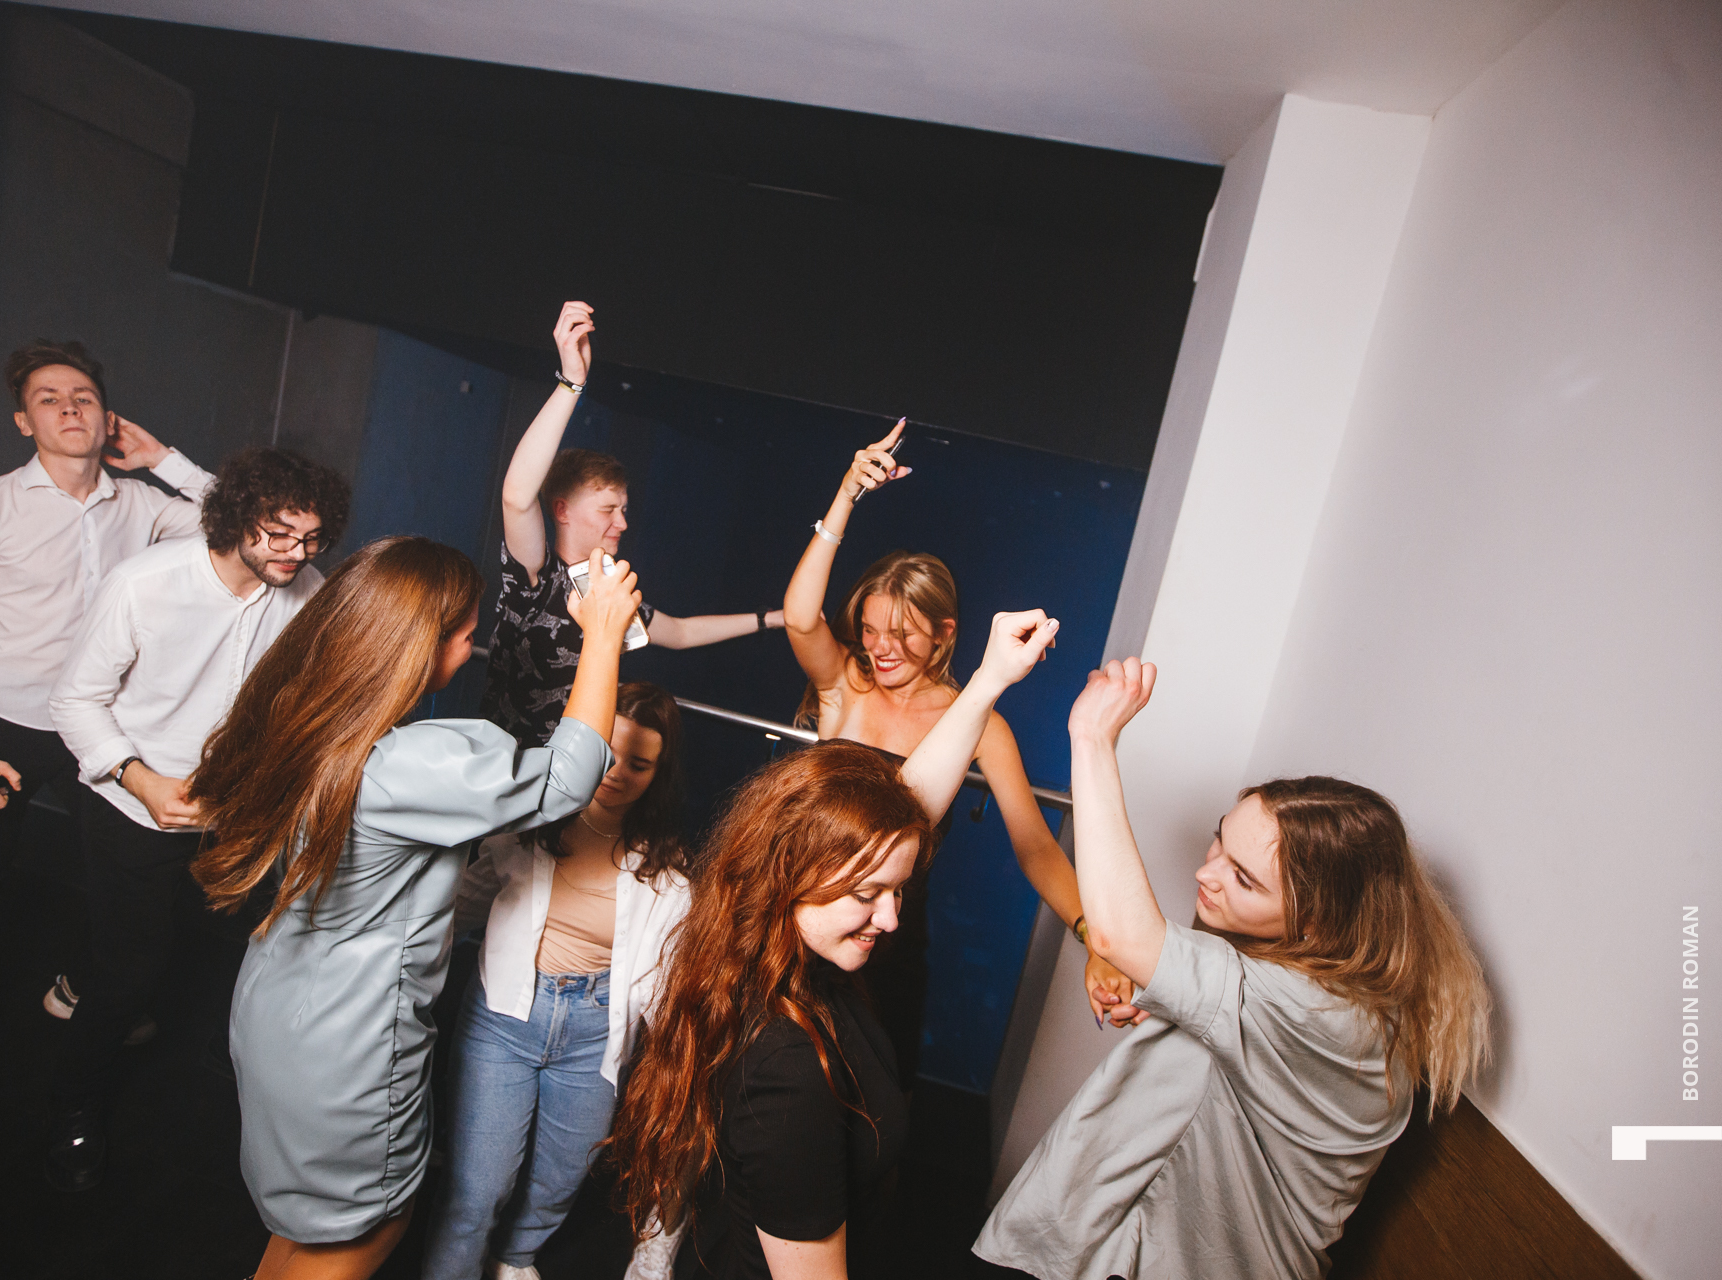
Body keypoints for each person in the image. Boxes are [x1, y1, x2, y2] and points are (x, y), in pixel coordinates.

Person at [188, 537, 644, 1280]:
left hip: (277, 1006)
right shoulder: (402, 765)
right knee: (365, 1228)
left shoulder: (309, 720)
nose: (472, 649)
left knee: (306, 1226)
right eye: (466, 635)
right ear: (415, 646)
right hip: (349, 1040)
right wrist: (601, 636)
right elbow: (567, 779)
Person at [974, 659, 1492, 1280]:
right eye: (1220, 839)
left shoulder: (1328, 1014)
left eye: (1244, 879)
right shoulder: (1309, 973)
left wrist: (1092, 738)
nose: (1206, 872)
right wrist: (1166, 1009)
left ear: (1317, 922)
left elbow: (1125, 935)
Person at [603, 608, 1061, 1280]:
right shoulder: (786, 1069)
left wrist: (990, 678)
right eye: (869, 894)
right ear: (796, 875)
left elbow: (900, 813)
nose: (891, 918)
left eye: (897, 892)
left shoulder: (787, 959)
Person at [0, 338, 212, 1117]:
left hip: (101, 727)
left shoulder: (141, 504)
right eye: (49, 398)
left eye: (84, 396)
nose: (70, 408)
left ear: (108, 418)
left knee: (131, 876)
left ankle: (85, 988)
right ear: (23, 421)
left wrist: (165, 460)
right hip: (5, 725)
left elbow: (243, 525)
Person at [781, 420, 1134, 1088]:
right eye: (870, 630)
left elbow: (1035, 846)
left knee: (875, 1101)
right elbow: (800, 617)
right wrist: (846, 495)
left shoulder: (979, 723)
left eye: (903, 634)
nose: (881, 649)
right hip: (798, 919)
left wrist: (1098, 941)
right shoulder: (846, 685)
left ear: (944, 635)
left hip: (889, 939)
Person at [42, 447, 350, 1191]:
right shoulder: (143, 583)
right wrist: (139, 777)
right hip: (133, 808)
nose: (296, 553)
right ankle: (73, 1110)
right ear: (237, 518)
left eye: (311, 539)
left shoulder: (306, 589)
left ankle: (222, 1079)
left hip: (238, 813)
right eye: (280, 534)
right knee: (129, 975)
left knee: (247, 951)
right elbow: (73, 700)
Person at [424, 682, 692, 1280]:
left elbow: (661, 981)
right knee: (475, 1193)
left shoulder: (667, 870)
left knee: (559, 1180)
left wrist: (679, 1063)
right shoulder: (527, 824)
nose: (616, 773)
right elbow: (456, 906)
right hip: (504, 1021)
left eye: (639, 764)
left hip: (594, 1035)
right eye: (608, 752)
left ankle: (514, 1260)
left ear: (658, 775)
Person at [483, 300, 785, 746]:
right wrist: (571, 383)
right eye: (608, 510)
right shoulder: (536, 578)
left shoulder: (610, 593)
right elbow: (515, 496)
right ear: (562, 510)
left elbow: (680, 632)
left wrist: (771, 619)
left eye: (623, 510)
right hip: (511, 771)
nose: (622, 523)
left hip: (577, 772)